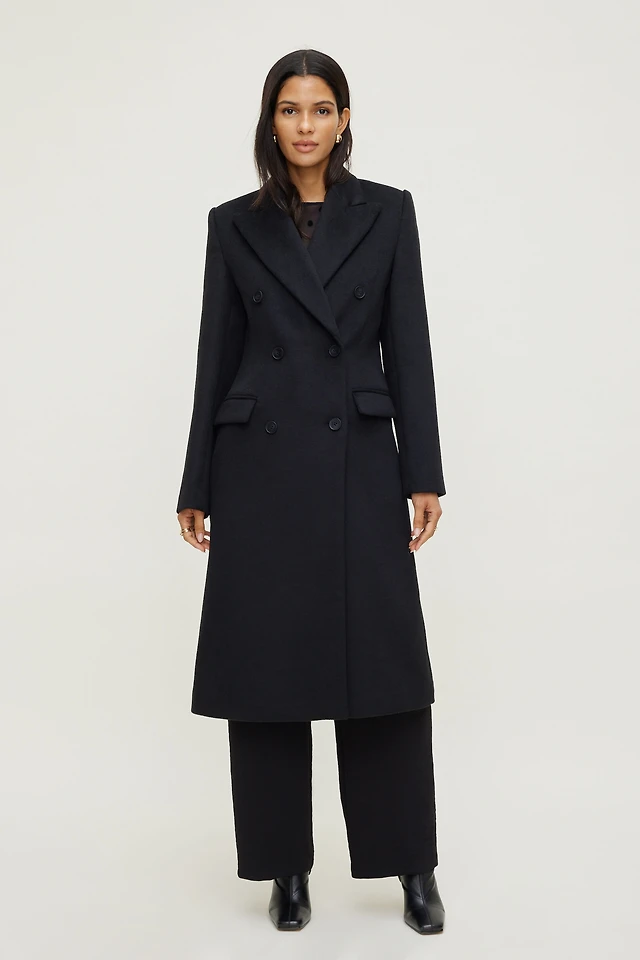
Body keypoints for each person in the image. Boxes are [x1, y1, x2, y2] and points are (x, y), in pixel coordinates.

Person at [176, 49, 447, 935]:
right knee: (266, 674)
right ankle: (283, 868)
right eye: (290, 110)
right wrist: (197, 480)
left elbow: (408, 345)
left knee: (386, 670)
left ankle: (411, 866)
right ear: (271, 120)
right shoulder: (233, 224)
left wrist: (422, 472)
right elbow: (216, 356)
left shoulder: (389, 212)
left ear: (342, 120)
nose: (305, 125)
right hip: (257, 467)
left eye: (320, 108)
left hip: (359, 461)